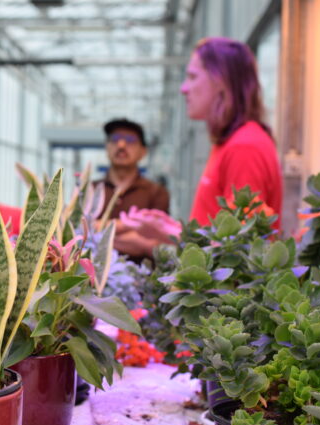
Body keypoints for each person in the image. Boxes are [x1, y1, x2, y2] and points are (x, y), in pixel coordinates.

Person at [180, 37, 283, 229]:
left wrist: (167, 233)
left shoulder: (245, 148)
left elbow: (239, 251)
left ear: (221, 82)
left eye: (193, 77)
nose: (184, 89)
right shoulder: (228, 143)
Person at [94, 118, 170, 262]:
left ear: (143, 152)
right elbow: (79, 232)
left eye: (130, 140)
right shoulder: (90, 190)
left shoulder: (157, 192)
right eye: (115, 139)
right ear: (107, 147)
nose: (121, 144)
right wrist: (132, 229)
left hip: (142, 280)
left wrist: (99, 229)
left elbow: (155, 243)